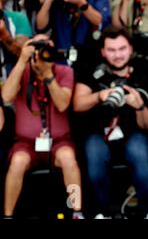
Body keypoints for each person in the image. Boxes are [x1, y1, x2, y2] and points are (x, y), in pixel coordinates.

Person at [72, 27, 148, 219]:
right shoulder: (92, 70)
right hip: (99, 132)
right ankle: (99, 212)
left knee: (140, 153)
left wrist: (139, 106)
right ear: (103, 51)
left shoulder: (141, 70)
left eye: (122, 49)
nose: (118, 55)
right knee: (94, 154)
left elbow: (147, 126)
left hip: (131, 133)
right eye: (111, 50)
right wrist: (100, 96)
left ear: (130, 49)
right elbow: (77, 103)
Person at [1, 34, 83, 219]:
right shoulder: (22, 71)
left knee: (69, 159)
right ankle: (8, 215)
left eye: (47, 46)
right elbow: (5, 97)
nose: (42, 50)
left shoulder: (64, 71)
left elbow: (63, 104)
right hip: (26, 143)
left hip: (59, 141)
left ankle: (77, 211)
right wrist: (22, 60)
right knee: (17, 162)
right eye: (38, 45)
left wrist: (48, 76)